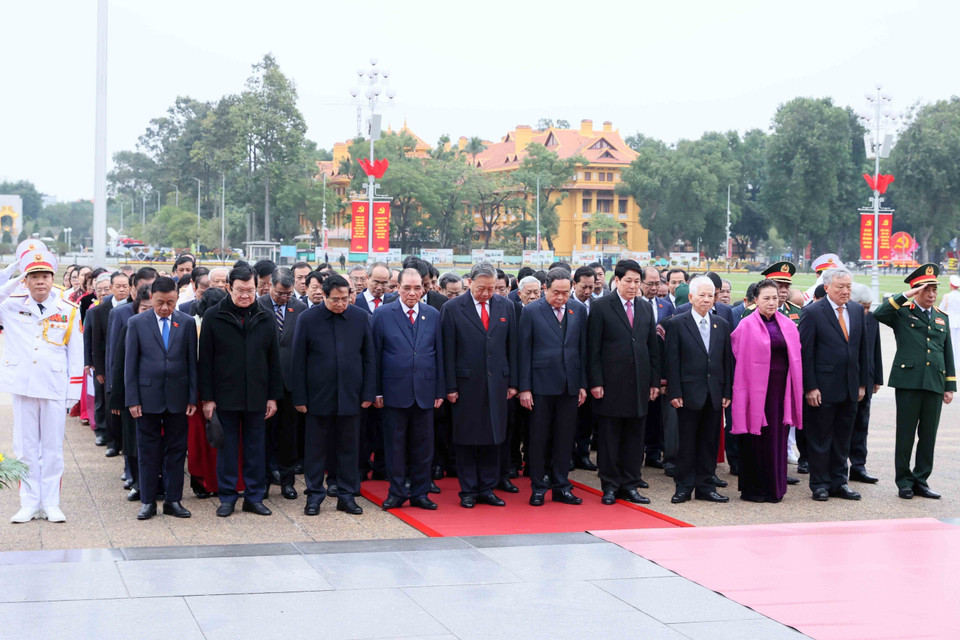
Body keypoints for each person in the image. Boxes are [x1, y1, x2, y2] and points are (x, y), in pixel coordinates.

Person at [2, 250, 83, 523]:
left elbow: (76, 354)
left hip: (54, 385)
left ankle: (51, 503)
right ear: (26, 280)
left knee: (52, 449)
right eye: (34, 276)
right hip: (24, 385)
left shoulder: (68, 310)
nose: (40, 282)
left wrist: (73, 393)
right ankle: (28, 503)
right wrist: (16, 270)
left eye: (45, 276)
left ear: (53, 279)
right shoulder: (11, 305)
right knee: (24, 448)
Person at [199, 265, 282, 517]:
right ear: (228, 288)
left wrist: (273, 396)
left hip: (257, 395)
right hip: (225, 395)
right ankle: (227, 498)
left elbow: (273, 360)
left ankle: (254, 497)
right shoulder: (214, 316)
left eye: (251, 290)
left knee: (256, 449)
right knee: (227, 449)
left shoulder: (265, 316)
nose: (246, 295)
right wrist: (208, 399)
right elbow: (206, 361)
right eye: (240, 291)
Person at [292, 274, 375, 515]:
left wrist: (368, 391)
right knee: (316, 449)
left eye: (345, 299)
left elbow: (369, 359)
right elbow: (298, 361)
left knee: (349, 448)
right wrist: (300, 398)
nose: (341, 304)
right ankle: (314, 495)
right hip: (318, 396)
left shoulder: (360, 318)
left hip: (351, 395)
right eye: (335, 300)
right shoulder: (308, 318)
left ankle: (346, 495)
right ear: (324, 297)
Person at [873, 263, 955, 499]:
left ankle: (921, 480)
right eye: (926, 290)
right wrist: (906, 295)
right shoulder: (902, 312)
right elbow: (879, 313)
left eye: (934, 291)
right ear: (915, 290)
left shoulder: (941, 317)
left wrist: (949, 386)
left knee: (928, 435)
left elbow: (946, 352)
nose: (931, 295)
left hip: (934, 382)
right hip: (909, 381)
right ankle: (904, 481)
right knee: (906, 434)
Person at [441, 262, 518, 508]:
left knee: (495, 436)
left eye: (491, 288)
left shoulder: (506, 306)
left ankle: (487, 487)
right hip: (466, 383)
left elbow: (512, 348)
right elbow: (447, 350)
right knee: (466, 437)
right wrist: (450, 386)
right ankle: (468, 490)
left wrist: (513, 382)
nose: (486, 293)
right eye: (481, 288)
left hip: (498, 382)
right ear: (469, 283)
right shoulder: (452, 308)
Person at [587, 259, 661, 505]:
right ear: (616, 281)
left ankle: (630, 484)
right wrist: (596, 382)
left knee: (634, 439)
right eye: (628, 281)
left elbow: (652, 347)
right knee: (609, 439)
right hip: (610, 385)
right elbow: (593, 349)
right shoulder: (601, 307)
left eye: (636, 282)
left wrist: (653, 382)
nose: (632, 286)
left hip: (639, 385)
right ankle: (609, 486)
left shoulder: (644, 307)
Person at [123, 277, 197, 520]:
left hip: (177, 396)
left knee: (176, 450)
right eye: (160, 302)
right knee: (148, 451)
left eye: (170, 302)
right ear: (151, 299)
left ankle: (173, 500)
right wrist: (132, 399)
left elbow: (191, 363)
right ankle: (148, 501)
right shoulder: (137, 323)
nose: (165, 308)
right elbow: (130, 364)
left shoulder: (185, 323)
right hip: (147, 397)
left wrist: (192, 397)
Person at [372, 268, 444, 510]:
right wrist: (377, 391)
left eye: (417, 288)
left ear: (423, 289)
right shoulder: (382, 314)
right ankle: (397, 492)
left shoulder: (433, 314)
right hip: (393, 392)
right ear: (397, 287)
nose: (412, 293)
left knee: (424, 447)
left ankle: (421, 493)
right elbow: (375, 355)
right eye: (407, 288)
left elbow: (440, 355)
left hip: (425, 391)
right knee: (395, 446)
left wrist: (439, 391)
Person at [730, 279, 804, 502]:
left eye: (775, 298)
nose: (772, 302)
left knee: (777, 437)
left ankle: (775, 488)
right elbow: (737, 356)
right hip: (754, 391)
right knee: (756, 438)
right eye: (766, 298)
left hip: (780, 390)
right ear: (755, 300)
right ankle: (755, 489)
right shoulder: (746, 324)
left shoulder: (788, 324)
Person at [518, 268, 587, 506]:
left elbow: (581, 348)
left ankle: (561, 486)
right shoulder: (531, 311)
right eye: (556, 292)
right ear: (546, 288)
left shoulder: (578, 310)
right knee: (538, 439)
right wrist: (524, 388)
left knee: (565, 438)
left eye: (566, 292)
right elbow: (523, 351)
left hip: (570, 383)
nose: (561, 297)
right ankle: (538, 487)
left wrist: (582, 385)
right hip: (540, 385)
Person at [799, 267, 868, 502]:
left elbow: (862, 351)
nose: (846, 291)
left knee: (843, 438)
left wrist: (862, 385)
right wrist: (810, 387)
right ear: (827, 287)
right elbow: (806, 353)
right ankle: (820, 484)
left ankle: (840, 482)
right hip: (822, 387)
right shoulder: (813, 312)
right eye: (840, 287)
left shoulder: (857, 311)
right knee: (820, 438)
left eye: (849, 286)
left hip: (849, 386)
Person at [664, 276, 733, 504]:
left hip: (714, 394)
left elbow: (726, 362)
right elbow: (672, 362)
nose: (706, 299)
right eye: (701, 295)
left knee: (709, 443)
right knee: (687, 443)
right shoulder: (677, 323)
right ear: (691, 297)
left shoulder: (721, 324)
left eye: (710, 295)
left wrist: (726, 393)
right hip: (688, 394)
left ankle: (706, 486)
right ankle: (683, 487)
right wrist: (674, 392)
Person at [259, 268, 307, 500]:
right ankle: (265, 480)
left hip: (290, 383)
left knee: (289, 436)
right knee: (264, 435)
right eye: (280, 293)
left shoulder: (300, 309)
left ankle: (288, 481)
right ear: (270, 286)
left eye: (288, 294)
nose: (284, 297)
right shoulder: (257, 306)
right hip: (263, 382)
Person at [847, 284, 882, 484]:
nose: (866, 311)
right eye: (863, 306)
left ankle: (859, 466)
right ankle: (839, 467)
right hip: (846, 380)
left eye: (868, 307)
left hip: (866, 379)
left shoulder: (871, 318)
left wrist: (877, 377)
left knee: (862, 424)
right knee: (843, 426)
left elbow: (875, 348)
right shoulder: (842, 318)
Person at [940, 274, 960, 367]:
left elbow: (941, 309)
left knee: (950, 343)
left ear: (951, 285)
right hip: (958, 321)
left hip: (950, 321)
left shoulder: (947, 296)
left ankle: (952, 363)